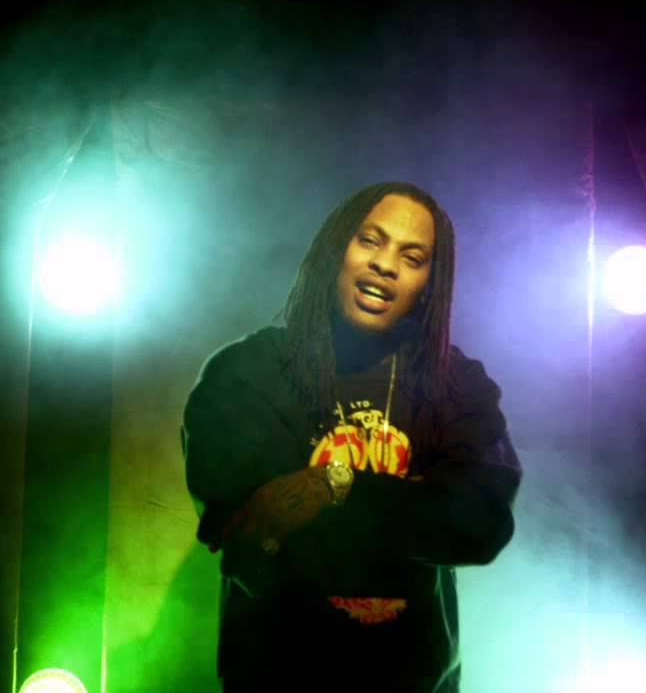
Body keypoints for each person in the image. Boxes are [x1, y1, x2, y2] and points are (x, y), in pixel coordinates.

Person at [181, 181, 522, 692]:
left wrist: (331, 486)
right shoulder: (247, 373)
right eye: (370, 240)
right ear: (335, 248)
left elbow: (480, 524)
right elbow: (244, 522)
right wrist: (416, 507)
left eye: (412, 257)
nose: (385, 264)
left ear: (429, 283)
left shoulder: (457, 386)